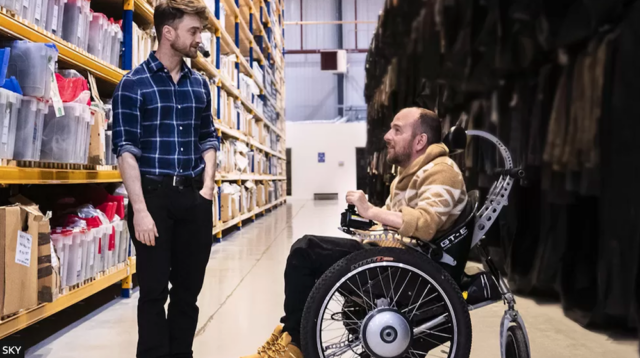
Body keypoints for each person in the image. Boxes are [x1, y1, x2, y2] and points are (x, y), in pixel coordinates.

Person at [241, 108, 469, 358]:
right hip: (396, 260)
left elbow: (425, 224)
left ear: (420, 141)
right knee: (309, 250)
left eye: (397, 130)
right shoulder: (409, 174)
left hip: (407, 271)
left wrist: (371, 211)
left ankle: (295, 344)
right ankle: (289, 334)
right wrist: (366, 224)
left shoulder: (441, 171)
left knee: (305, 252)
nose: (387, 136)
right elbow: (397, 222)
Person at [112, 1, 217, 357]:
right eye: (193, 31)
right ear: (168, 33)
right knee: (154, 293)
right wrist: (139, 210)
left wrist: (207, 189)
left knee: (188, 294)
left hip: (193, 199)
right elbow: (126, 151)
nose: (199, 38)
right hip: (153, 199)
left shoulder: (199, 85)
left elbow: (209, 138)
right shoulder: (133, 85)